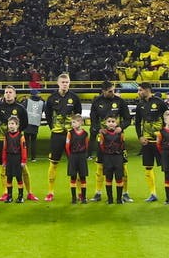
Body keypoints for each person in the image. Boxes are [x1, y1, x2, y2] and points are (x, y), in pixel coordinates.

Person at [89, 82, 132, 202]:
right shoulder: (97, 102)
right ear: (103, 91)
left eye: (113, 90)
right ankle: (98, 192)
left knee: (123, 167)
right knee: (100, 167)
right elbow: (93, 120)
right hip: (103, 140)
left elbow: (128, 119)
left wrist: (121, 127)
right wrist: (99, 129)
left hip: (118, 140)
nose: (113, 93)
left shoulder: (120, 101)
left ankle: (125, 192)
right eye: (110, 91)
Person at [43, 73, 81, 201]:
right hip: (57, 135)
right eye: (63, 82)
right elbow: (48, 115)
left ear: (69, 83)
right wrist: (53, 128)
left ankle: (80, 192)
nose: (65, 84)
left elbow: (78, 115)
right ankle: (50, 192)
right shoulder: (51, 98)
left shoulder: (74, 98)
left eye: (67, 82)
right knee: (53, 162)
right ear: (58, 83)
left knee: (75, 162)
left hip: (72, 135)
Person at [133, 82, 168, 203]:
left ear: (147, 90)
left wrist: (165, 135)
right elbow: (137, 123)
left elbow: (168, 117)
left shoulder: (159, 102)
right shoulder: (140, 105)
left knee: (167, 168)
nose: (138, 92)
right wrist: (140, 137)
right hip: (147, 142)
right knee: (148, 167)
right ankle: (152, 193)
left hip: (159, 141)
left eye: (140, 90)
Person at [97, 115, 127, 204]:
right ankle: (110, 199)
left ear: (116, 123)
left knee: (119, 178)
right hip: (107, 158)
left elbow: (123, 146)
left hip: (118, 158)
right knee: (108, 178)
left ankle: (119, 199)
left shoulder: (120, 134)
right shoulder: (102, 134)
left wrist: (124, 159)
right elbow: (101, 147)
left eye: (113, 122)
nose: (111, 123)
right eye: (109, 121)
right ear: (105, 123)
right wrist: (102, 159)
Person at [0, 116, 27, 203]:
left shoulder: (21, 136)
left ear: (17, 125)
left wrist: (23, 160)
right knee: (9, 178)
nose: (10, 126)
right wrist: (4, 160)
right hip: (9, 158)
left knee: (19, 178)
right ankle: (9, 196)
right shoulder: (6, 136)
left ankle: (20, 196)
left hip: (17, 158)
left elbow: (24, 149)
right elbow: (4, 148)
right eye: (9, 124)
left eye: (12, 124)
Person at [66, 115, 91, 204]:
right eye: (72, 122)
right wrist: (70, 157)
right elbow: (67, 146)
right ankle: (73, 198)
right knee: (73, 177)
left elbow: (87, 145)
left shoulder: (85, 134)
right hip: (73, 156)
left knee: (83, 177)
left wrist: (84, 155)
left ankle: (83, 197)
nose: (72, 124)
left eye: (74, 122)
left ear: (80, 122)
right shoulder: (70, 133)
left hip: (82, 157)